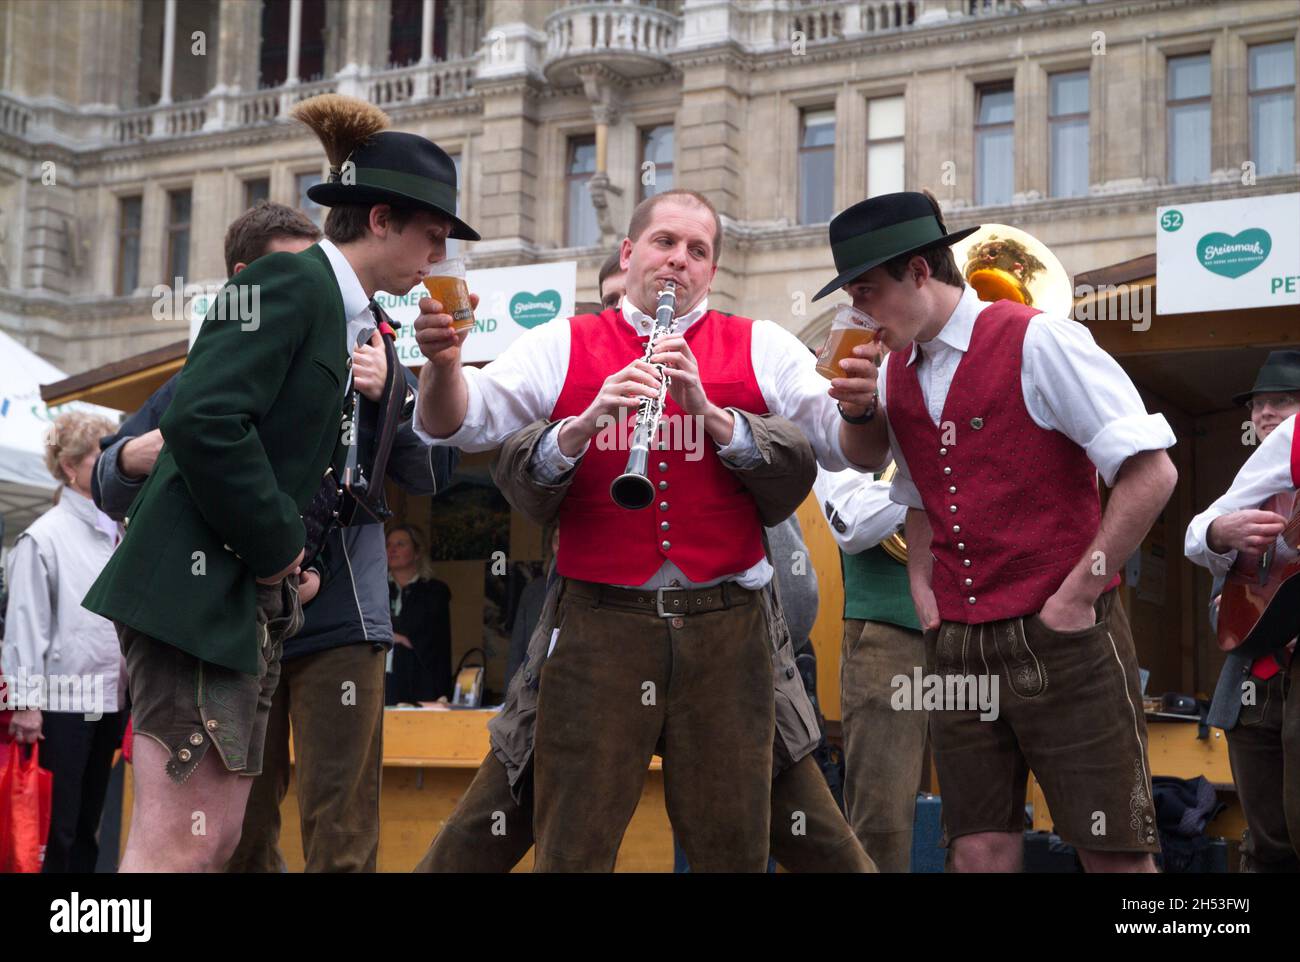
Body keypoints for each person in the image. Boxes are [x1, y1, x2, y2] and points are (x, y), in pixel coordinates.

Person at [413, 188, 880, 870]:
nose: (679, 262)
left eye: (698, 251)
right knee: (574, 841)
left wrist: (730, 415)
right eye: (664, 243)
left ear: (711, 273)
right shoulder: (565, 341)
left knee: (733, 845)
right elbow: (455, 421)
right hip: (601, 624)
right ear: (630, 254)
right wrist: (453, 365)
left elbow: (841, 446)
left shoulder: (760, 344)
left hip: (727, 628)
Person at [81, 93, 478, 872]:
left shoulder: (338, 310)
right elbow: (200, 421)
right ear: (380, 220)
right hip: (199, 602)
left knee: (215, 843)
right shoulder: (295, 288)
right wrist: (277, 549)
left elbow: (426, 460)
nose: (436, 260)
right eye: (431, 236)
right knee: (174, 849)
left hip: (228, 604)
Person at [811, 190, 1179, 872]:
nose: (859, 314)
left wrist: (1077, 595)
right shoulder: (895, 371)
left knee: (1114, 852)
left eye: (867, 291)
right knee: (977, 847)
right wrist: (924, 591)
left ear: (921, 271)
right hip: (958, 641)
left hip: (1065, 636)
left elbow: (1152, 473)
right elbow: (910, 488)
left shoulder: (1039, 337)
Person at [415, 415, 874, 873]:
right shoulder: (584, 378)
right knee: (512, 825)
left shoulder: (734, 399)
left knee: (804, 833)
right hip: (604, 648)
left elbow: (796, 595)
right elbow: (515, 467)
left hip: (720, 654)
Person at [1186, 350, 1300, 872]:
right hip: (1252, 684)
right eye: (1259, 406)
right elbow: (1220, 610)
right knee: (1263, 841)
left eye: (1283, 402)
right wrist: (1217, 533)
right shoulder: (1246, 493)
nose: (1267, 415)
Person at [2, 411, 127, 872]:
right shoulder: (44, 536)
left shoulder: (118, 530)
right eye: (100, 455)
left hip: (109, 700)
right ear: (71, 467)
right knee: (57, 830)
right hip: (61, 705)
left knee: (88, 826)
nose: (112, 463)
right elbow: (24, 626)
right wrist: (28, 704)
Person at [814, 464, 927, 872]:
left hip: (983, 625)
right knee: (882, 826)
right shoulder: (837, 404)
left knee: (983, 822)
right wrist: (941, 481)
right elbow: (854, 519)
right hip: (889, 630)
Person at [385, 525, 453, 705]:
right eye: (389, 544)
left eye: (400, 544)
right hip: (382, 679)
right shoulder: (374, 589)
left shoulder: (435, 591)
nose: (392, 549)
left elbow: (421, 634)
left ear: (417, 552)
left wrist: (389, 634)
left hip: (421, 682)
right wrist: (395, 636)